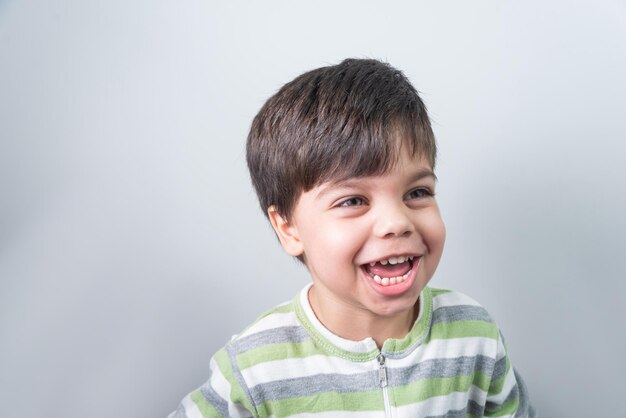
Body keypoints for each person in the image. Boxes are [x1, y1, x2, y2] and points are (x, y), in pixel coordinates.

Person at [169, 58, 535, 417]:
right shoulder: (255, 367)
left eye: (417, 193)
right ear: (288, 228)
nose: (396, 222)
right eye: (354, 201)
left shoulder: (474, 335)